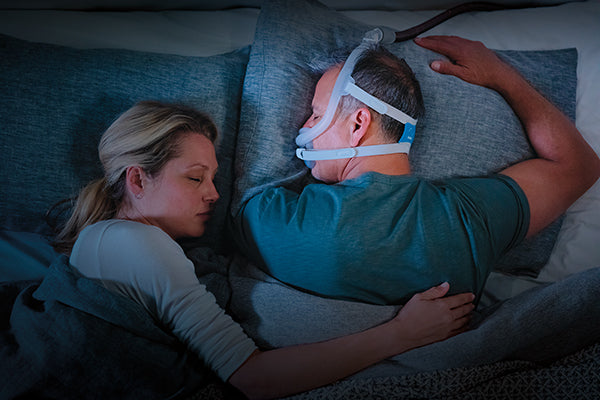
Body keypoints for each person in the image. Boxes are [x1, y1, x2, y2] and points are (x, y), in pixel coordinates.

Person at [54, 100, 475, 400]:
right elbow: (251, 378)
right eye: (195, 178)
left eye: (214, 179)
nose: (215, 195)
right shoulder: (137, 244)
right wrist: (403, 333)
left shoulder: (112, 241)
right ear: (138, 180)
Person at [232, 35, 600, 306]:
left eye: (315, 112)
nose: (304, 125)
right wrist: (502, 76)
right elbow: (579, 166)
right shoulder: (468, 219)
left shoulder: (277, 220)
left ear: (358, 124)